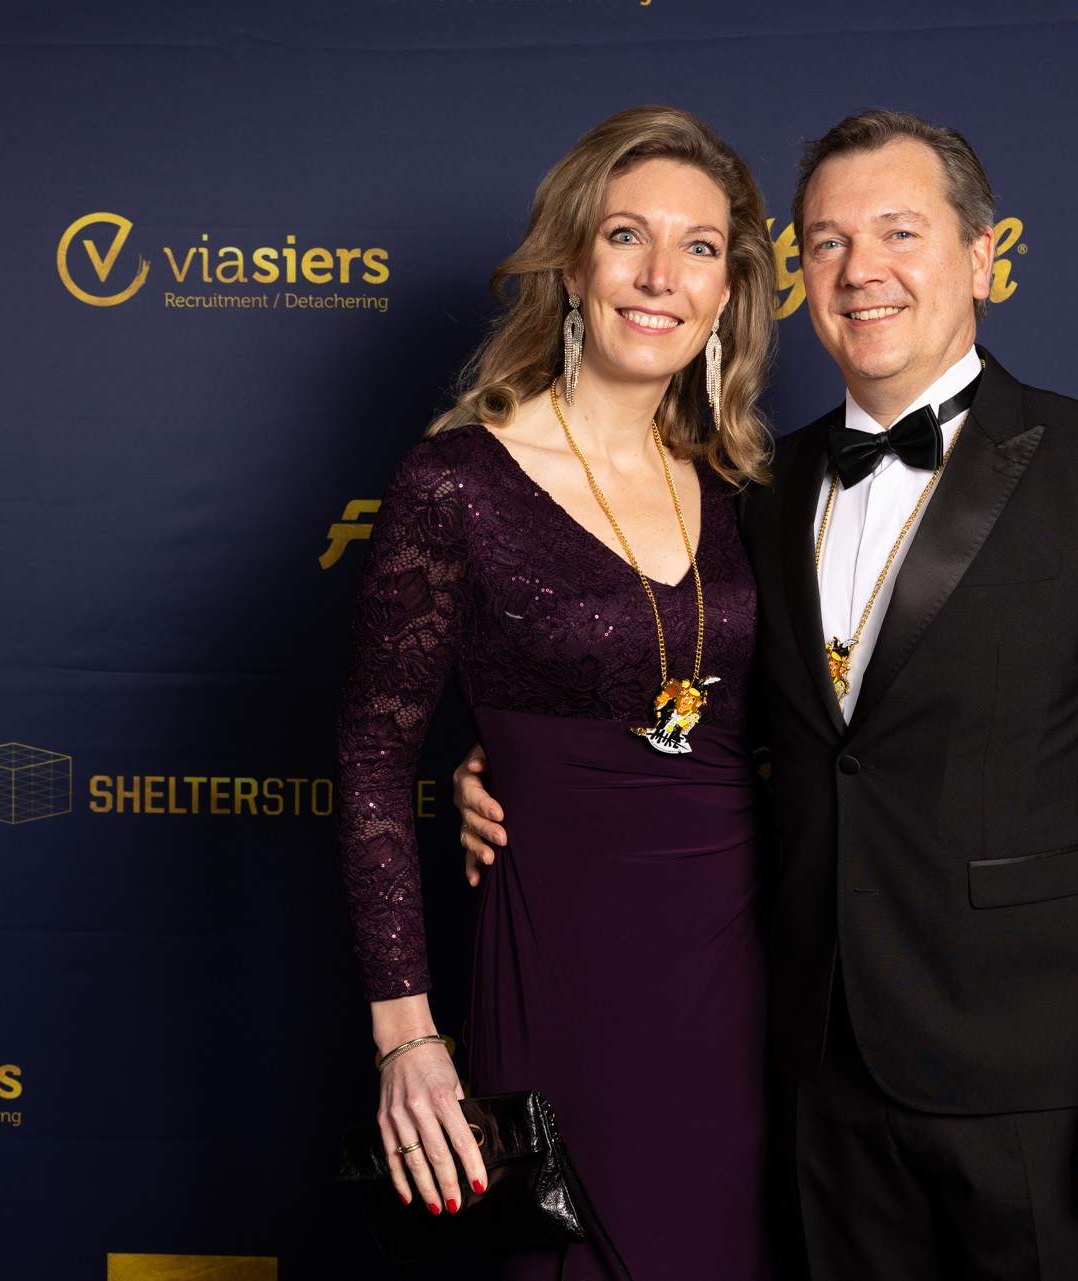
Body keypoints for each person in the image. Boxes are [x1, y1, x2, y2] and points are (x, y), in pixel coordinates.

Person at [458, 109, 1078, 1279]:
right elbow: (687, 705)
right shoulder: (755, 489)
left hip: (1038, 1086)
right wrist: (513, 766)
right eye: (826, 242)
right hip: (814, 1078)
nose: (860, 269)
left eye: (898, 232)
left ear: (982, 258)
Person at [334, 104, 779, 1280]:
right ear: (573, 264)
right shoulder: (457, 483)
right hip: (563, 969)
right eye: (627, 235)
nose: (660, 274)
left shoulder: (747, 486)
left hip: (746, 977)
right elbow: (373, 759)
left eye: (698, 246)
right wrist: (405, 1035)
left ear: (728, 290)